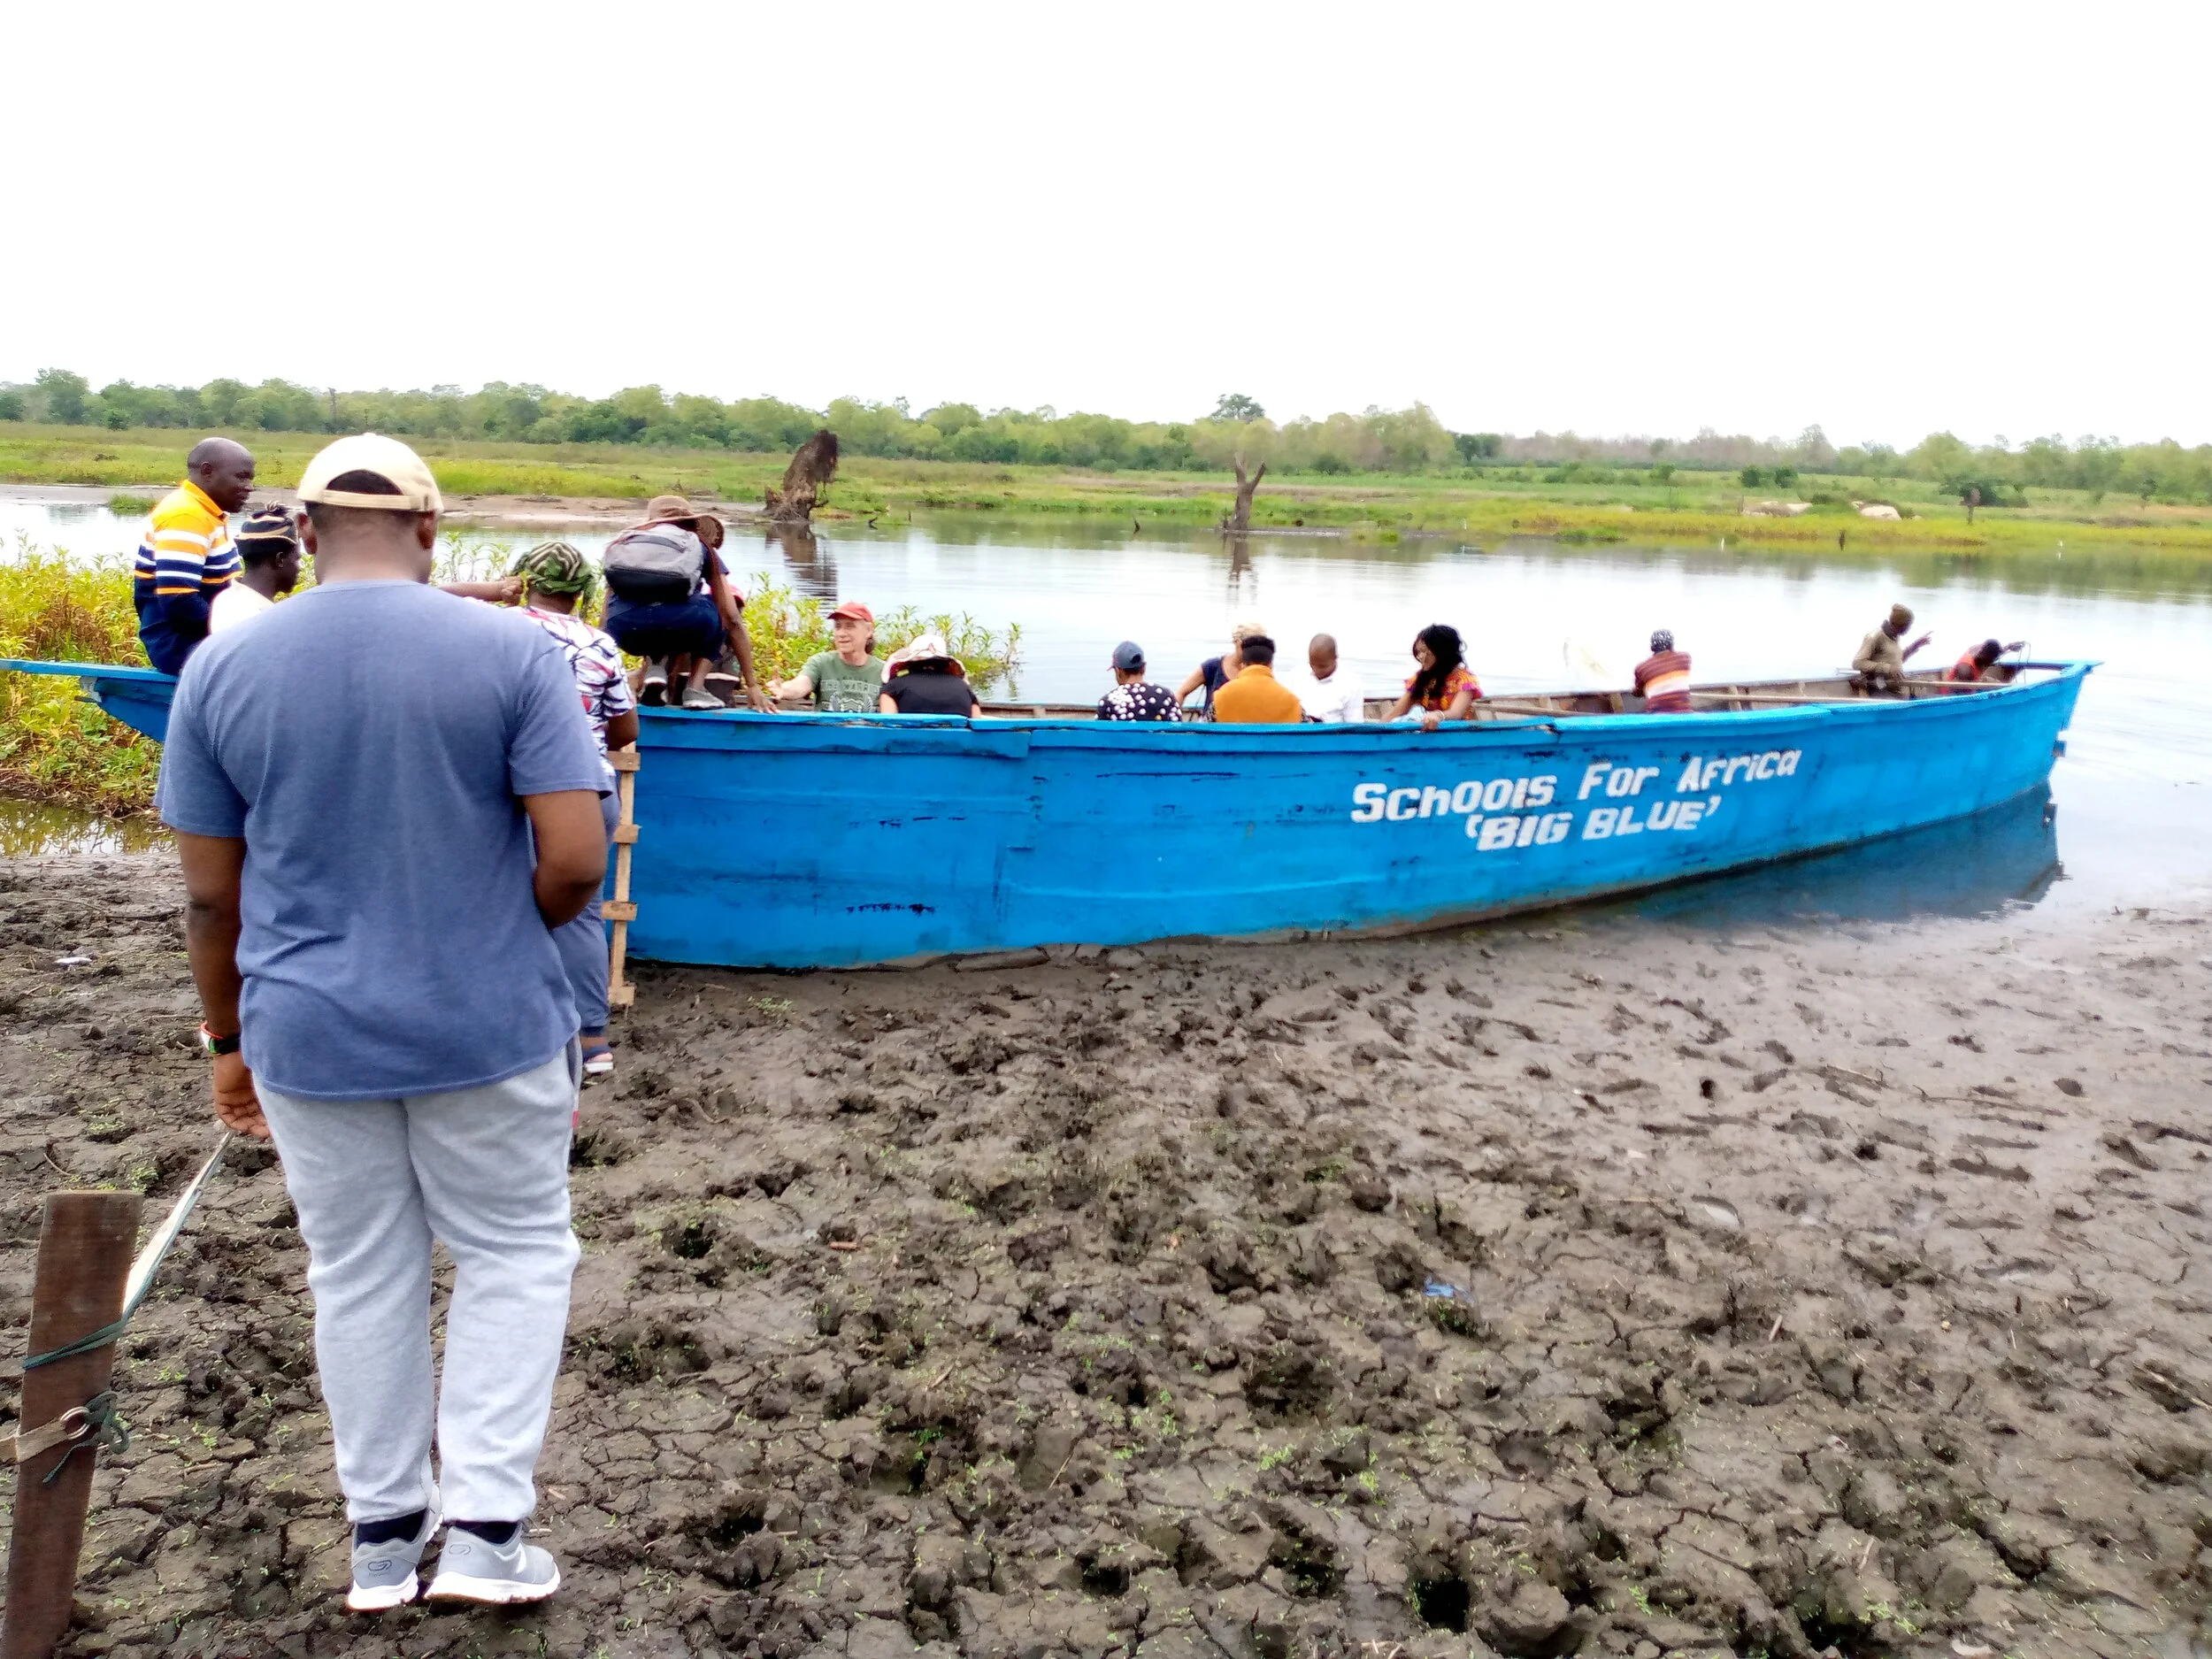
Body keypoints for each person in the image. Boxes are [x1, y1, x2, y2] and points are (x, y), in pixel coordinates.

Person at [156, 434, 606, 1613]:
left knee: (356, 1273)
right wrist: (492, 939)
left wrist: (227, 1042)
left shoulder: (222, 667)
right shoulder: (514, 648)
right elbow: (573, 858)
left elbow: (212, 893)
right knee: (513, 1251)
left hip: (306, 1030)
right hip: (488, 1024)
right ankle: (487, 1535)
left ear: (303, 534)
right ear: (429, 530)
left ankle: (379, 1543)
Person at [510, 541, 639, 1077]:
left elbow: (415, 595)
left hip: (512, 792)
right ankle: (592, 1041)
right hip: (588, 791)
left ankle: (517, 1028)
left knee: (498, 903)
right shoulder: (600, 644)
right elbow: (626, 729)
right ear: (583, 592)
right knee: (582, 914)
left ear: (520, 582)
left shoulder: (497, 632)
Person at [601, 495, 749, 710]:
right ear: (690, 521)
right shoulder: (699, 545)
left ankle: (655, 670)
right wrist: (753, 685)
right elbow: (732, 616)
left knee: (646, 612)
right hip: (682, 623)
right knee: (714, 608)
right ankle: (695, 689)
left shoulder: (628, 543)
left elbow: (605, 613)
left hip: (623, 627)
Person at [134, 436, 255, 673]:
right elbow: (179, 600)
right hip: (180, 646)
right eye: (241, 477)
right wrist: (237, 632)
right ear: (207, 471)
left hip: (198, 640)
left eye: (250, 478)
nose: (249, 486)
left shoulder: (205, 512)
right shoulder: (186, 516)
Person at [207, 505, 302, 634]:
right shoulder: (263, 619)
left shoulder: (224, 600)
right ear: (280, 560)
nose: (299, 568)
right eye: (297, 559)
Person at [776, 602, 884, 712]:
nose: (841, 633)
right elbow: (802, 683)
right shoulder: (821, 663)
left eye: (850, 626)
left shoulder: (883, 671)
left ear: (869, 630)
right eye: (838, 627)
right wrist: (783, 690)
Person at [1386, 624, 1480, 730]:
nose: (1420, 656)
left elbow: (1455, 713)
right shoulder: (1421, 679)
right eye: (1418, 651)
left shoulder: (1465, 679)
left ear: (1443, 652)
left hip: (1457, 735)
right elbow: (1395, 713)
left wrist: (1438, 715)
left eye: (1424, 651)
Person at [878, 633, 982, 716]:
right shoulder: (965, 689)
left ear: (910, 662)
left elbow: (889, 727)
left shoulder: (892, 689)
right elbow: (978, 726)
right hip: (959, 742)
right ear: (945, 662)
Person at [1175, 623, 1265, 718]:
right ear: (1236, 642)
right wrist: (1174, 722)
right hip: (1211, 728)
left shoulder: (1262, 670)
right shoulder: (1213, 666)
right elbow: (1181, 693)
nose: (1255, 650)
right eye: (1250, 645)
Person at [1210, 634, 1305, 724]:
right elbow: (1310, 732)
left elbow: (1202, 730)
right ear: (1270, 665)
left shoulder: (1221, 697)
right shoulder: (1292, 702)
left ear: (1243, 665)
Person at [1853, 603, 1933, 693]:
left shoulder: (1895, 636)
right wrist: (1887, 668)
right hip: (1879, 689)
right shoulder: (1875, 636)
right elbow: (1858, 663)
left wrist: (1915, 646)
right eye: (1909, 625)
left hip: (1895, 688)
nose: (1909, 628)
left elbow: (1896, 661)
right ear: (1900, 625)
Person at [1096, 641, 1181, 721]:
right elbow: (1177, 731)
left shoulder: (1107, 702)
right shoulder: (1166, 696)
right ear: (1144, 668)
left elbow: (1099, 735)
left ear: (1118, 671)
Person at [1297, 633, 1364, 724]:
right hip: (1299, 733)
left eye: (1322, 666)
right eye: (1312, 664)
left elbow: (1354, 727)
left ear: (1335, 658)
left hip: (1332, 736)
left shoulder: (1351, 685)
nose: (1316, 670)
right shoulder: (1298, 674)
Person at [1633, 629, 1693, 713]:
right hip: (1684, 712)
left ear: (1652, 647)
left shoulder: (1642, 668)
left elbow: (1638, 693)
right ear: (1671, 644)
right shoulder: (1685, 658)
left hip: (1656, 715)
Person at [1947, 637, 2027, 685]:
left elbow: (1998, 652)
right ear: (1986, 657)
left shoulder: (1979, 650)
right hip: (1952, 696)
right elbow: (1962, 692)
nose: (1991, 663)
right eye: (1991, 660)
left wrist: (2009, 647)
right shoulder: (1965, 669)